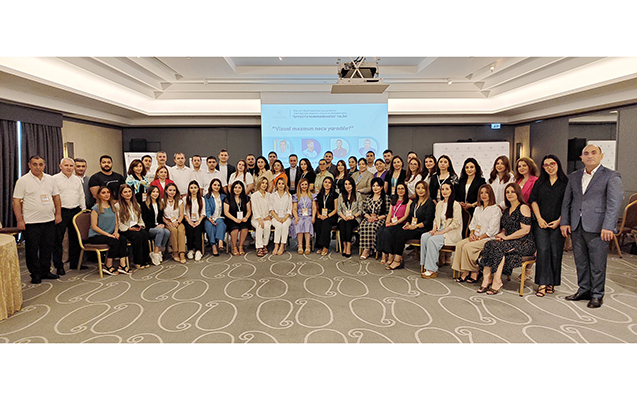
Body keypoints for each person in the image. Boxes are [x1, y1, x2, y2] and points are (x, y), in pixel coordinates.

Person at [560, 145, 624, 308]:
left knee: (597, 263)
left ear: (601, 155)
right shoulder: (574, 176)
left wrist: (608, 226)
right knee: (580, 261)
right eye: (586, 153)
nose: (590, 156)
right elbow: (567, 201)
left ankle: (597, 294)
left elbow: (614, 204)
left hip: (599, 227)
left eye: (594, 153)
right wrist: (565, 222)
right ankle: (584, 290)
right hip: (577, 225)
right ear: (581, 157)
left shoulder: (611, 175)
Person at [12, 155, 63, 283]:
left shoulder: (50, 179)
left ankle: (45, 271)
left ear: (44, 165)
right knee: (32, 249)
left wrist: (58, 214)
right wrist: (19, 219)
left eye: (40, 164)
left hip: (49, 220)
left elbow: (56, 197)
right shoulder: (23, 181)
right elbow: (16, 201)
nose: (38, 167)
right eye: (34, 164)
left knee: (47, 247)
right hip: (31, 221)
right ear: (29, 165)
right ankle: (35, 273)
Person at [478, 183, 535, 294]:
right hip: (510, 241)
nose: (510, 194)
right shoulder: (507, 210)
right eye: (507, 192)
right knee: (489, 244)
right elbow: (505, 228)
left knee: (498, 248)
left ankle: (497, 281)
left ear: (518, 193)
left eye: (513, 192)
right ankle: (487, 278)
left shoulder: (523, 207)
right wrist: (501, 234)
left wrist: (507, 238)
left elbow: (525, 230)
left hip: (525, 242)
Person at [530, 155, 568, 297]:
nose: (550, 167)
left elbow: (568, 204)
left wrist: (559, 220)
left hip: (558, 223)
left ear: (557, 164)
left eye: (552, 164)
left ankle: (551, 282)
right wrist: (539, 219)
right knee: (543, 250)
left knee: (556, 252)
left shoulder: (566, 183)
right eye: (546, 165)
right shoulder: (540, 183)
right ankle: (542, 283)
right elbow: (533, 201)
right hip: (541, 223)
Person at [451, 184, 502, 283]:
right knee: (460, 244)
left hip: (488, 239)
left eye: (486, 193)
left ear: (491, 194)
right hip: (476, 236)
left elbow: (492, 230)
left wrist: (479, 238)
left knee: (468, 247)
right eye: (481, 193)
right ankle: (465, 270)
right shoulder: (478, 208)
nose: (484, 195)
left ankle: (474, 271)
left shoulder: (495, 210)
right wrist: (472, 234)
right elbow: (473, 224)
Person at [387, 181, 436, 270]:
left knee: (401, 234)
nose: (420, 190)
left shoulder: (430, 203)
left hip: (422, 229)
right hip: (412, 227)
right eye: (418, 188)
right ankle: (397, 256)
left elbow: (428, 221)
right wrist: (408, 224)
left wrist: (415, 226)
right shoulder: (415, 202)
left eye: (422, 188)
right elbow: (410, 216)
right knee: (395, 231)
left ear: (426, 190)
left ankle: (397, 260)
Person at [420, 182, 463, 278]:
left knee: (432, 240)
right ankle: (424, 264)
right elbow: (436, 219)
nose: (444, 191)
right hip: (439, 230)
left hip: (450, 233)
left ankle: (432, 269)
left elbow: (456, 223)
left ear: (452, 191)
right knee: (424, 236)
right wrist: (434, 230)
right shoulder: (439, 204)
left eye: (447, 189)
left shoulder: (456, 204)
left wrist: (441, 232)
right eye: (442, 189)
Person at [52, 157, 86, 275]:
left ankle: (75, 263)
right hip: (61, 211)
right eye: (66, 165)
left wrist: (83, 210)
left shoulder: (77, 179)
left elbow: (81, 195)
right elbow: (52, 197)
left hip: (75, 211)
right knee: (58, 239)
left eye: (71, 166)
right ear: (60, 166)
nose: (69, 168)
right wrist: (56, 213)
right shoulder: (54, 179)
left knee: (75, 238)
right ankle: (59, 266)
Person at [85, 186, 129, 275]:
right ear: (99, 195)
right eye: (103, 193)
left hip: (111, 234)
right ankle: (108, 265)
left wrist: (116, 232)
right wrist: (108, 235)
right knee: (114, 242)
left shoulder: (113, 207)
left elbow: (116, 223)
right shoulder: (95, 208)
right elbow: (94, 226)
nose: (106, 195)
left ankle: (122, 265)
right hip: (96, 235)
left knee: (123, 239)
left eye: (108, 192)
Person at [115, 184, 151, 269]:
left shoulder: (136, 204)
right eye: (125, 192)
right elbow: (118, 221)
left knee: (144, 234)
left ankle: (145, 260)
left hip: (135, 226)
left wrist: (140, 226)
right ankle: (137, 261)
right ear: (121, 194)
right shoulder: (118, 206)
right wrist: (129, 228)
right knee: (137, 236)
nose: (128, 194)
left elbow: (140, 218)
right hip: (124, 229)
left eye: (129, 191)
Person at [377, 183, 411, 266]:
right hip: (392, 223)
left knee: (387, 231)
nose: (400, 190)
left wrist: (395, 223)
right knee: (381, 229)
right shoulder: (393, 200)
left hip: (400, 223)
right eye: (398, 189)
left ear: (405, 190)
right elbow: (389, 214)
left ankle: (390, 254)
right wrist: (387, 222)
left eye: (402, 188)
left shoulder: (409, 201)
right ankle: (384, 253)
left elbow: (406, 215)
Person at [359, 178, 391, 260]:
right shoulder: (368, 198)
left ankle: (370, 249)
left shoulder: (386, 198)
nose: (375, 188)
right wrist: (369, 217)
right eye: (373, 186)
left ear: (381, 187)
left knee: (373, 226)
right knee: (363, 225)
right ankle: (366, 248)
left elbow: (387, 213)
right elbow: (364, 210)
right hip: (369, 218)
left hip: (380, 218)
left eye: (377, 186)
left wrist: (376, 218)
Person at [141, 184, 170, 266]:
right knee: (160, 231)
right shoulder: (144, 204)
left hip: (158, 226)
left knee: (167, 232)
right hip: (149, 228)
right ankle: (155, 252)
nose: (155, 194)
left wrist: (162, 224)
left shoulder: (159, 204)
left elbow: (161, 218)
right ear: (149, 193)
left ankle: (160, 250)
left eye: (157, 192)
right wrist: (156, 226)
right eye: (153, 192)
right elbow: (144, 220)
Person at [224, 181, 252, 256]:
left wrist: (246, 217)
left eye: (239, 188)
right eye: (235, 187)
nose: (237, 189)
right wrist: (235, 219)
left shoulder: (246, 198)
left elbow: (249, 210)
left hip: (243, 218)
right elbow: (226, 212)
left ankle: (240, 246)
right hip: (231, 219)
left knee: (245, 228)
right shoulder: (228, 198)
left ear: (242, 189)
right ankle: (234, 247)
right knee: (235, 229)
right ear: (232, 188)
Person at [337, 177, 363, 257]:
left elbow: (360, 210)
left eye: (349, 184)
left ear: (353, 185)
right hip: (343, 217)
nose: (347, 186)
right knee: (342, 223)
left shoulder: (358, 195)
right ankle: (344, 246)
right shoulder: (341, 195)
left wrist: (353, 216)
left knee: (348, 223)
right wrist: (344, 217)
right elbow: (338, 210)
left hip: (355, 218)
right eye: (346, 184)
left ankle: (348, 246)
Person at [313, 176, 339, 256]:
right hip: (321, 214)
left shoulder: (335, 195)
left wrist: (327, 216)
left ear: (332, 184)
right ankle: (320, 246)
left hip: (331, 215)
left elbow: (336, 209)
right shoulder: (319, 194)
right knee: (318, 222)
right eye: (325, 182)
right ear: (323, 183)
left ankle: (325, 246)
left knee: (325, 223)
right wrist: (318, 215)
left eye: (329, 183)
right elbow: (316, 207)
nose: (327, 184)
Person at [162, 183, 187, 264]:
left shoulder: (179, 201)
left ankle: (182, 253)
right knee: (173, 231)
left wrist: (178, 222)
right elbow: (161, 215)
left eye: (174, 190)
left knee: (181, 230)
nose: (172, 192)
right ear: (166, 191)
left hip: (178, 221)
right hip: (168, 222)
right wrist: (167, 222)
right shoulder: (162, 201)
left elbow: (182, 214)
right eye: (170, 190)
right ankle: (175, 252)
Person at [269, 177, 293, 255]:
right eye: (279, 183)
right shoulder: (272, 195)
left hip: (286, 217)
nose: (281, 185)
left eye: (283, 184)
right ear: (276, 185)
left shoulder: (289, 195)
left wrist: (285, 218)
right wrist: (277, 218)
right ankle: (276, 245)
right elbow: (271, 208)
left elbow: (290, 208)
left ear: (285, 185)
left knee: (285, 226)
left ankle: (282, 245)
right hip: (275, 217)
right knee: (278, 226)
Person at [183, 180, 206, 261]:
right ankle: (190, 250)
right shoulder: (185, 199)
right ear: (189, 189)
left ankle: (198, 251)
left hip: (199, 220)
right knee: (189, 229)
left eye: (195, 188)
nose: (193, 189)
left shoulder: (201, 199)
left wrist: (198, 221)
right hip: (188, 220)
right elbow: (184, 213)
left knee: (197, 229)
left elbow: (203, 213)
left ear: (198, 189)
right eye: (191, 188)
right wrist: (189, 221)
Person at [204, 178, 227, 256]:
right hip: (209, 218)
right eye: (214, 185)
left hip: (220, 217)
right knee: (210, 226)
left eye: (218, 185)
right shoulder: (207, 197)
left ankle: (220, 241)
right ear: (211, 186)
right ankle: (213, 245)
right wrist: (209, 218)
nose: (216, 187)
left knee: (220, 223)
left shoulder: (223, 196)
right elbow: (207, 209)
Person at [292, 178, 314, 255]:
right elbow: (294, 208)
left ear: (308, 185)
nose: (304, 186)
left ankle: (308, 245)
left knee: (308, 223)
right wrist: (296, 217)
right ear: (300, 186)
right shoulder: (296, 196)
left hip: (309, 215)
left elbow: (314, 208)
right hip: (299, 215)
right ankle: (300, 245)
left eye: (305, 184)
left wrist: (313, 217)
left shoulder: (312, 195)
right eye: (302, 185)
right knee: (299, 223)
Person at [250, 176, 272, 257]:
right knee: (260, 227)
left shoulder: (269, 195)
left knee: (267, 226)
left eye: (266, 183)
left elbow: (272, 207)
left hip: (267, 217)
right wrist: (259, 220)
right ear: (259, 184)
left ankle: (265, 245)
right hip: (256, 218)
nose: (264, 185)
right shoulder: (254, 195)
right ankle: (259, 247)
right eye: (263, 183)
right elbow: (254, 209)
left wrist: (269, 216)